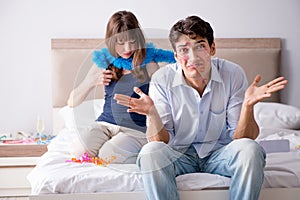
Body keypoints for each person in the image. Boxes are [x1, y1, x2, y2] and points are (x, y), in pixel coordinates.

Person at [114, 15, 288, 199]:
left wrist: (248, 106)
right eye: (184, 50)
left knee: (251, 149)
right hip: (178, 155)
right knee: (150, 152)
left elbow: (241, 138)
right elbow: (160, 141)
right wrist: (152, 114)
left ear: (212, 49)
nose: (193, 57)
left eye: (200, 46)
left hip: (220, 154)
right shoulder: (162, 79)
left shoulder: (233, 74)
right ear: (176, 56)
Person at [67, 10, 175, 164]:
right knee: (78, 152)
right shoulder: (104, 61)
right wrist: (91, 81)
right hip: (105, 123)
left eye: (132, 41)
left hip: (134, 129)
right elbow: (71, 102)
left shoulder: (149, 64)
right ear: (111, 41)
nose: (127, 48)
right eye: (121, 42)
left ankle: (129, 151)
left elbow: (161, 100)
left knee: (108, 156)